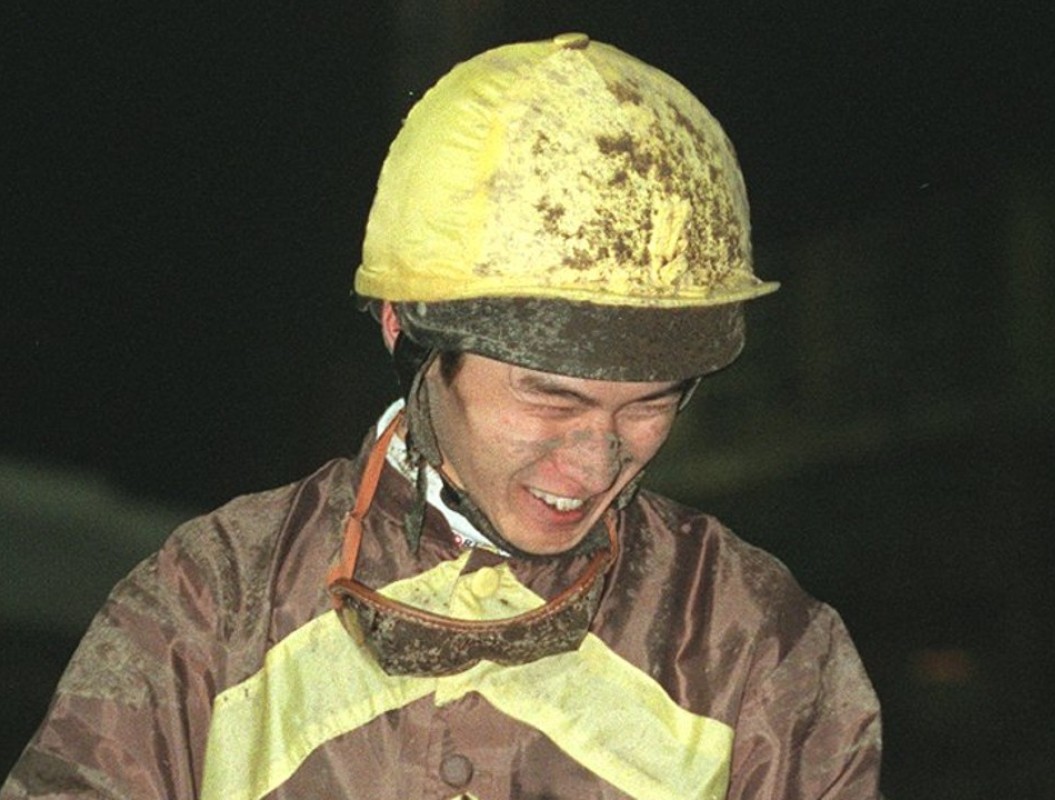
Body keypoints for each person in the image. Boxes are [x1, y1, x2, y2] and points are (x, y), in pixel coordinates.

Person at [3, 33, 882, 799]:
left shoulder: (756, 645)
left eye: (649, 406)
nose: (595, 463)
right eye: (551, 399)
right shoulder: (210, 608)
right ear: (406, 331)